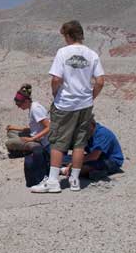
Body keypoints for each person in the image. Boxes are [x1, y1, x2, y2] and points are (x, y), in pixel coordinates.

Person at [31, 20, 105, 193]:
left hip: (65, 103)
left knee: (57, 141)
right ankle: (74, 181)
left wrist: (55, 93)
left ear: (69, 35)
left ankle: (53, 182)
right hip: (84, 104)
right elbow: (100, 81)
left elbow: (56, 78)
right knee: (80, 142)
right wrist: (90, 97)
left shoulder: (63, 53)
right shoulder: (92, 54)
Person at [6, 84, 50, 157]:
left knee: (8, 143)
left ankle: (33, 148)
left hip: (40, 140)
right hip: (35, 135)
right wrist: (13, 127)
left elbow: (49, 127)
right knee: (11, 132)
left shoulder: (35, 109)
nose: (19, 107)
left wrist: (31, 139)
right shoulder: (32, 106)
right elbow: (34, 128)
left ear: (26, 101)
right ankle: (25, 147)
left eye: (19, 105)